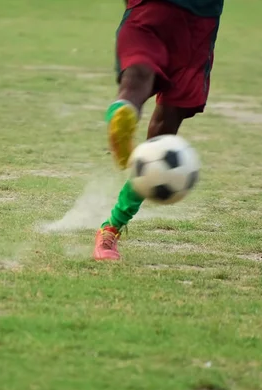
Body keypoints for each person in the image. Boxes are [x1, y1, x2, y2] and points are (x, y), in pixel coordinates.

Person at [93, 0, 224, 261]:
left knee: (136, 82)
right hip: (198, 22)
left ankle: (121, 113)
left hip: (157, 12)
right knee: (163, 135)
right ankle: (111, 227)